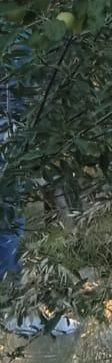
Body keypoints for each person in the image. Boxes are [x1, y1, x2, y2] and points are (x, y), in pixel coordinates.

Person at [1, 38, 78, 337]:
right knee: (7, 219)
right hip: (7, 118)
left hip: (14, 119)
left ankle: (20, 307)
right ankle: (16, 310)